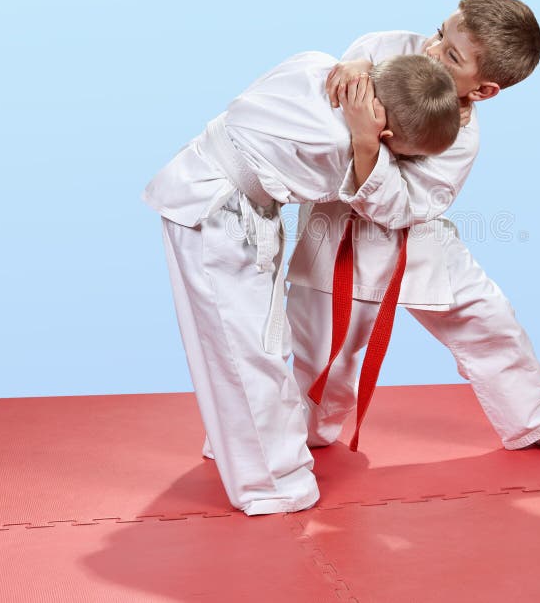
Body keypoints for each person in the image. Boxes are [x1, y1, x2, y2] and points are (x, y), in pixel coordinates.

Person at [142, 50, 461, 515]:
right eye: (402, 154)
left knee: (258, 341)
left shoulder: (318, 64)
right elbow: (386, 204)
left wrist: (363, 65)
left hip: (230, 201)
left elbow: (355, 63)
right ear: (385, 134)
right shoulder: (338, 147)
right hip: (216, 214)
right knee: (247, 351)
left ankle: (234, 443)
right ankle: (272, 482)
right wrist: (366, 145)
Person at [286, 0, 540, 463]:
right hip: (340, 235)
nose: (430, 50)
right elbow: (375, 43)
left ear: (484, 90)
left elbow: (402, 207)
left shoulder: (460, 140)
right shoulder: (412, 48)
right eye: (439, 33)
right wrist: (356, 62)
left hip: (414, 235)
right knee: (326, 355)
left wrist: (367, 142)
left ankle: (538, 421)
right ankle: (284, 439)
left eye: (451, 55)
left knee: (490, 318)